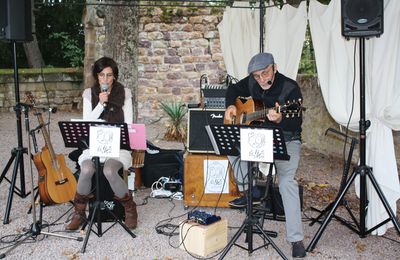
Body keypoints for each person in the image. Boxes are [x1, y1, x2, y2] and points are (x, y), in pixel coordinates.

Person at [224, 52, 306, 258]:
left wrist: (279, 120)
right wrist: (231, 105)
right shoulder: (252, 82)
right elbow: (233, 89)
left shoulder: (290, 88)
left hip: (286, 140)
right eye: (256, 76)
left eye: (265, 73)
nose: (261, 80)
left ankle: (296, 240)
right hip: (258, 138)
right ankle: (249, 192)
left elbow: (296, 122)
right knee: (231, 150)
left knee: (287, 182)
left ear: (274, 68)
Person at [66, 57, 138, 230]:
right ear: (96, 77)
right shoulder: (89, 94)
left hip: (117, 147)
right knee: (86, 169)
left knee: (109, 170)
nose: (105, 79)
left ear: (114, 76)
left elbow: (127, 125)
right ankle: (80, 212)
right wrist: (100, 104)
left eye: (109, 75)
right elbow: (86, 123)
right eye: (101, 75)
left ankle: (130, 209)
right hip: (94, 146)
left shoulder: (124, 93)